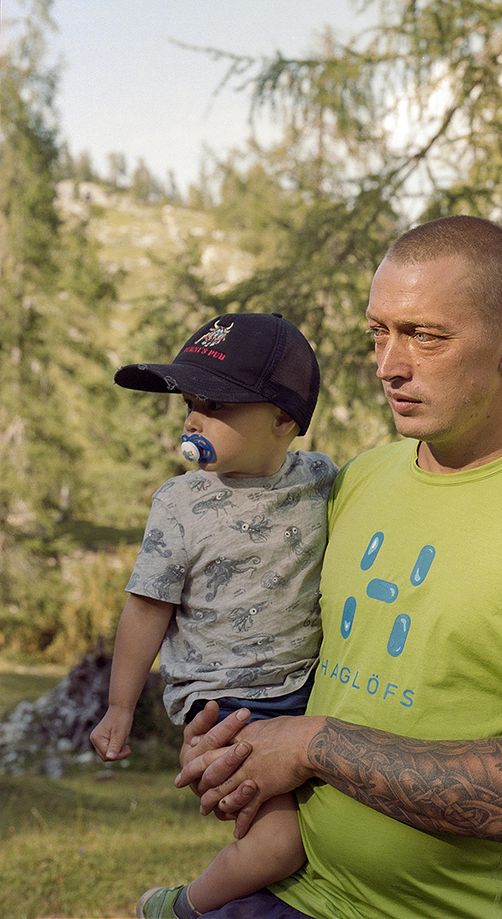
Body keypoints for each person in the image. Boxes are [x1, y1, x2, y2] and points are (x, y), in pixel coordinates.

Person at [176, 217, 502, 919]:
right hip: (288, 888)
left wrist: (310, 743)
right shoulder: (359, 479)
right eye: (380, 332)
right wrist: (228, 735)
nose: (388, 365)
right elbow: (287, 654)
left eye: (424, 335)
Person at [89, 312, 338, 919]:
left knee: (326, 830)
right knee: (281, 844)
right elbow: (146, 608)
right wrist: (121, 706)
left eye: (217, 405)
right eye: (191, 403)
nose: (193, 420)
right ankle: (183, 907)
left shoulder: (323, 482)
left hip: (312, 691)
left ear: (284, 420)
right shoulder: (181, 503)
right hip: (229, 703)